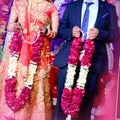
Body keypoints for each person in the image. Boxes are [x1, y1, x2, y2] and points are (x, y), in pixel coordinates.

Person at [53, 0, 118, 120]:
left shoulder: (108, 9)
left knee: (87, 101)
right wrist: (71, 32)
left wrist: (100, 33)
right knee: (62, 96)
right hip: (69, 57)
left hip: (93, 59)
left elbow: (115, 34)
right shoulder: (72, 6)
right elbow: (61, 30)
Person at [0, 0, 59, 120]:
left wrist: (46, 32)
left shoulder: (51, 7)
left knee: (36, 85)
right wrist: (14, 26)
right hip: (18, 52)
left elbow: (55, 33)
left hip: (39, 54)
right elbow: (9, 25)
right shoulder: (20, 3)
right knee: (15, 82)